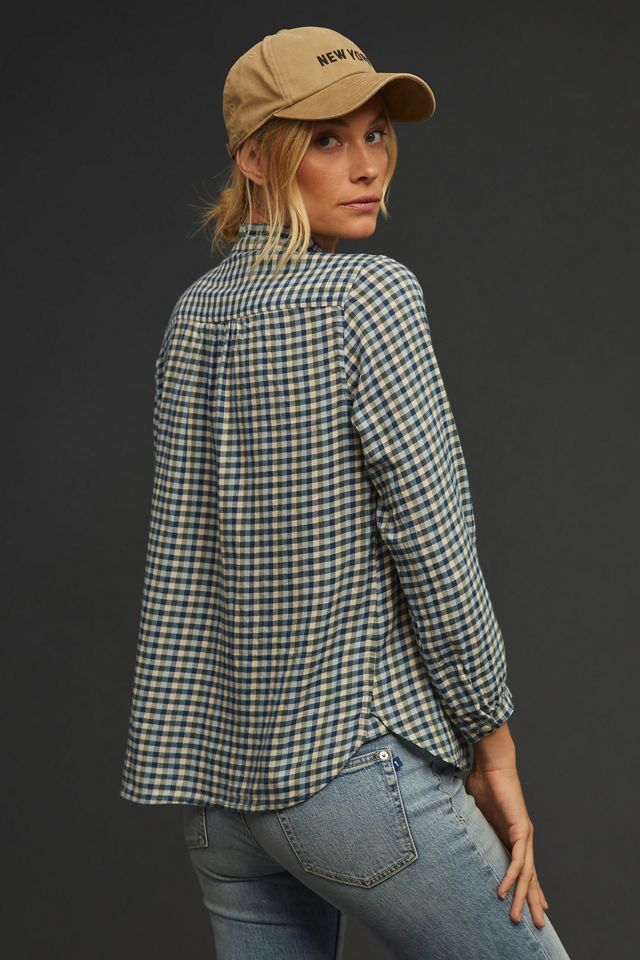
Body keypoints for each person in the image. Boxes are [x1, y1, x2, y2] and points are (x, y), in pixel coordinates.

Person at [119, 25, 572, 960]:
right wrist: (493, 745)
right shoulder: (370, 296)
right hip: (348, 769)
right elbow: (434, 543)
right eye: (326, 140)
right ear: (253, 157)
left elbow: (189, 551)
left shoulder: (193, 316)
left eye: (375, 134)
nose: (367, 166)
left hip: (221, 797)